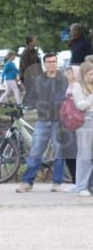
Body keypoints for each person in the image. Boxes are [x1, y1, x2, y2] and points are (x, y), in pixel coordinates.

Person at [17, 54, 68, 193]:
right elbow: (30, 97)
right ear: (44, 64)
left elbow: (67, 98)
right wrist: (37, 105)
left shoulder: (63, 80)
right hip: (43, 120)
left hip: (59, 120)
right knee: (36, 150)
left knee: (59, 152)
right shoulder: (39, 80)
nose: (52, 64)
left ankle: (57, 183)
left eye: (54, 61)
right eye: (49, 62)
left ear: (56, 63)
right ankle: (27, 182)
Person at [69, 61, 93, 197]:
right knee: (84, 155)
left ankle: (89, 185)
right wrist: (91, 98)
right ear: (83, 74)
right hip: (85, 121)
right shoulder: (77, 86)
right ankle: (81, 186)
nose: (92, 76)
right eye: (90, 74)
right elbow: (80, 105)